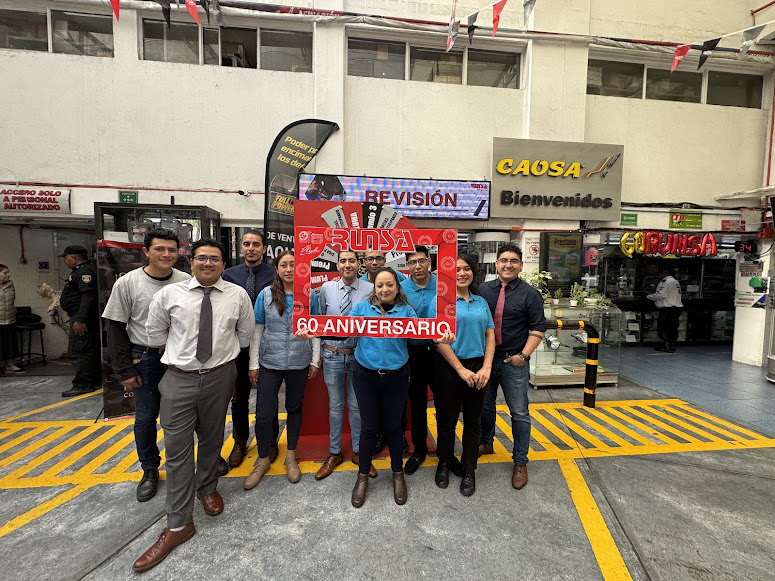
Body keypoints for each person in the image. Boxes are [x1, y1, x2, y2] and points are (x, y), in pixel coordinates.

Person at [133, 239, 253, 573]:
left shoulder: (237, 295)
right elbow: (155, 335)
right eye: (202, 257)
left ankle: (207, 487)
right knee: (177, 451)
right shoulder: (169, 295)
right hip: (178, 378)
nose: (208, 263)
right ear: (191, 262)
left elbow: (244, 336)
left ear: (223, 263)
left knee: (213, 438)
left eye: (215, 258)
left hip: (220, 376)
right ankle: (178, 524)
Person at [346, 267, 453, 508]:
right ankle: (362, 476)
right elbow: (342, 332)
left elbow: (416, 340)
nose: (385, 289)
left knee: (395, 428)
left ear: (397, 287)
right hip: (365, 376)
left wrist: (436, 337)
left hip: (396, 376)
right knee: (368, 428)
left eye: (389, 285)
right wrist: (312, 333)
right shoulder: (362, 309)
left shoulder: (407, 311)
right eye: (380, 285)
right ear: (374, 288)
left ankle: (397, 473)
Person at [102, 229, 190, 503]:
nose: (166, 254)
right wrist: (124, 370)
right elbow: (115, 328)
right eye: (160, 249)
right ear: (146, 251)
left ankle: (202, 460)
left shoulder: (186, 281)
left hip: (180, 358)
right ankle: (150, 469)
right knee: (146, 416)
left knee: (190, 413)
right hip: (145, 358)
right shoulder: (127, 284)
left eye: (171, 250)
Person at [243, 251, 321, 490]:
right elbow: (258, 329)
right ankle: (263, 459)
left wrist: (315, 360)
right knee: (264, 413)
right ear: (276, 269)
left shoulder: (309, 295)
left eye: (293, 265)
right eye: (284, 265)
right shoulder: (265, 295)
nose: (288, 269)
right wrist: (254, 364)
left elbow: (315, 328)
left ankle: (291, 456)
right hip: (269, 363)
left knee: (294, 408)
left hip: (299, 361)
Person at [478, 243, 546, 490]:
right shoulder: (483, 290)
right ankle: (486, 443)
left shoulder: (530, 294)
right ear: (496, 264)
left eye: (513, 261)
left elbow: (538, 328)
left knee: (519, 412)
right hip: (486, 360)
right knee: (485, 406)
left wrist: (523, 356)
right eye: (504, 260)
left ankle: (520, 461)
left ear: (521, 265)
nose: (508, 265)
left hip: (513, 362)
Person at [434, 255, 495, 497]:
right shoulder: (441, 300)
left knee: (473, 422)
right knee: (446, 420)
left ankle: (469, 469)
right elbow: (439, 339)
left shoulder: (481, 301)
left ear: (473, 272)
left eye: (466, 268)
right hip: (449, 367)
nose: (461, 273)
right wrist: (460, 369)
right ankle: (444, 462)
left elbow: (490, 335)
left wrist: (486, 368)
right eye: (456, 269)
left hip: (478, 366)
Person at [314, 249, 376, 480]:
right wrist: (319, 354)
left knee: (357, 406)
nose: (347, 264)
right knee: (335, 406)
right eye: (343, 261)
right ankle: (334, 452)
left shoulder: (370, 289)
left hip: (360, 356)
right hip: (332, 355)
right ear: (337, 265)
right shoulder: (326, 289)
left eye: (352, 260)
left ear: (359, 265)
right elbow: (320, 321)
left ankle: (360, 453)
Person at [221, 229, 277, 469]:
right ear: (241, 247)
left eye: (256, 244)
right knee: (239, 397)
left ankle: (270, 439)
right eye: (247, 244)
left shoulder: (275, 273)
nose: (251, 248)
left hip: (268, 343)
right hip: (238, 344)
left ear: (264, 248)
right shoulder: (228, 275)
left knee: (268, 395)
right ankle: (240, 441)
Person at [400, 245, 437, 475]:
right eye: (412, 262)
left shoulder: (443, 285)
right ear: (407, 265)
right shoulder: (401, 289)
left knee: (445, 402)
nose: (417, 266)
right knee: (417, 403)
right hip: (413, 354)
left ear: (429, 261)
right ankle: (419, 450)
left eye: (421, 261)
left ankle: (446, 451)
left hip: (441, 352)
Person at [59, 245, 102, 397]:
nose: (65, 261)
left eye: (66, 258)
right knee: (87, 350)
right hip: (80, 316)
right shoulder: (80, 271)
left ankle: (83, 384)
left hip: (82, 318)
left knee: (80, 351)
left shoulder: (84, 272)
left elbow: (88, 296)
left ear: (73, 258)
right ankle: (94, 379)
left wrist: (81, 319)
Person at [647, 268, 683, 353]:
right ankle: (672, 345)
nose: (659, 277)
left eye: (659, 275)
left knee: (664, 327)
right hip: (677, 307)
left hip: (668, 308)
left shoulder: (665, 281)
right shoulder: (675, 281)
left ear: (663, 274)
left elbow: (661, 294)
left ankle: (666, 345)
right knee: (673, 327)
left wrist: (650, 296)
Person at [0, 264, 23, 374]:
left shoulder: (10, 284)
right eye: (5, 273)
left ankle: (10, 365)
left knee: (10, 343)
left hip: (9, 318)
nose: (8, 275)